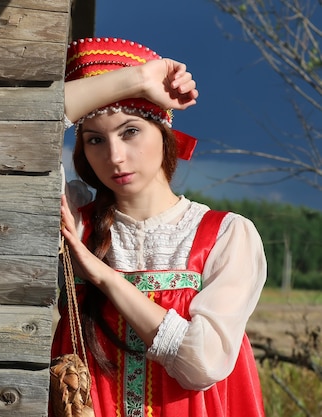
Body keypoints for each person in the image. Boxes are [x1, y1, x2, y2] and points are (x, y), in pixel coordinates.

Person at [51, 37, 267, 417]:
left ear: (163, 132)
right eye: (95, 140)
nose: (114, 156)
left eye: (130, 131)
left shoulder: (226, 235)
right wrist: (136, 79)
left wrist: (106, 279)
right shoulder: (75, 216)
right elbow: (23, 129)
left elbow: (201, 363)